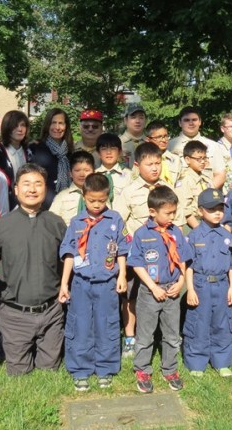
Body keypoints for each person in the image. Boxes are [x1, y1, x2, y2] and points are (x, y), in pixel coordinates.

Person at [0, 164, 68, 375]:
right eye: (27, 184)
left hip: (51, 311)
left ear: (46, 189)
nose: (32, 190)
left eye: (38, 184)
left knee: (49, 368)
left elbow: (66, 263)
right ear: (15, 189)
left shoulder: (56, 223)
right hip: (15, 313)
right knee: (19, 372)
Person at [58, 174, 130, 391]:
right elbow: (69, 253)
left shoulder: (115, 220)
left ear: (108, 196)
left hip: (107, 283)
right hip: (81, 283)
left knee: (106, 324)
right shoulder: (76, 222)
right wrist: (64, 283)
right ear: (84, 196)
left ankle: (105, 368)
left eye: (102, 200)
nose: (97, 205)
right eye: (92, 201)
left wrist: (123, 275)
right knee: (80, 325)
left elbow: (122, 250)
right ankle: (80, 369)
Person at [113, 142, 184, 358]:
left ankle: (167, 338)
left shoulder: (168, 189)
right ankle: (130, 337)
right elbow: (119, 222)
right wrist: (132, 243)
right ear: (137, 165)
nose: (154, 168)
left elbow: (177, 224)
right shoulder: (129, 191)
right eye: (149, 164)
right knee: (132, 297)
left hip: (166, 257)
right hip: (140, 257)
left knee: (168, 296)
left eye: (157, 163)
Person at [129, 186, 194, 393]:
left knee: (172, 334)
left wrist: (181, 281)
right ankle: (142, 370)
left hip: (172, 291)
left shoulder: (176, 232)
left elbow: (183, 258)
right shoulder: (141, 234)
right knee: (146, 335)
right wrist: (152, 287)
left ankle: (170, 369)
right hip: (150, 292)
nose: (172, 216)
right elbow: (137, 264)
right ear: (152, 212)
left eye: (174, 212)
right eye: (168, 213)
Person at [183, 189, 232, 377]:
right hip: (201, 285)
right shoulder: (194, 236)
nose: (217, 213)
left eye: (220, 208)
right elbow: (188, 266)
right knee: (199, 323)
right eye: (212, 209)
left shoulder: (227, 236)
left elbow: (231, 265)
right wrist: (189, 289)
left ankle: (221, 360)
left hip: (222, 285)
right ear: (200, 211)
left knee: (223, 324)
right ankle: (196, 361)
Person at [168, 106, 226, 189]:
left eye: (194, 120)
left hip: (207, 194)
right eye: (186, 120)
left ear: (200, 122)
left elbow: (220, 175)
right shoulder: (170, 146)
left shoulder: (213, 146)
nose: (191, 123)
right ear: (180, 123)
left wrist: (206, 194)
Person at [28, 108, 74, 210]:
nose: (57, 127)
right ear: (47, 125)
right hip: (42, 208)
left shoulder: (70, 153)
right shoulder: (36, 148)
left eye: (61, 123)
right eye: (53, 123)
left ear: (66, 126)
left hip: (67, 207)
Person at [0, 110, 30, 210]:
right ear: (7, 128)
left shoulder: (29, 152)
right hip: (4, 206)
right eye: (15, 125)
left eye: (23, 125)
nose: (20, 129)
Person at [49, 151, 95, 225]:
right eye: (77, 170)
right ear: (70, 173)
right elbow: (51, 222)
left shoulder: (99, 195)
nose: (82, 174)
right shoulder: (62, 197)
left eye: (86, 170)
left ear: (93, 172)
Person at [175, 140, 212, 229]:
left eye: (204, 158)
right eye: (199, 159)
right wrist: (199, 230)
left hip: (208, 221)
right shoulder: (185, 181)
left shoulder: (205, 179)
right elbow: (185, 210)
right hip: (192, 224)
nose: (203, 162)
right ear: (187, 159)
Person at [95, 133, 133, 206]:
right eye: (104, 149)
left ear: (119, 152)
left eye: (113, 148)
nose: (109, 152)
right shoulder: (93, 175)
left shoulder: (129, 175)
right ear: (98, 153)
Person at [144, 120, 182, 187]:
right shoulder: (143, 159)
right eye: (158, 137)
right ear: (147, 139)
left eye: (165, 136)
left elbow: (181, 181)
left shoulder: (176, 159)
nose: (164, 140)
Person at [120, 103, 147, 167]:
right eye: (133, 117)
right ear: (125, 120)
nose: (137, 121)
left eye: (141, 117)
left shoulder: (150, 143)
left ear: (145, 120)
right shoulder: (117, 143)